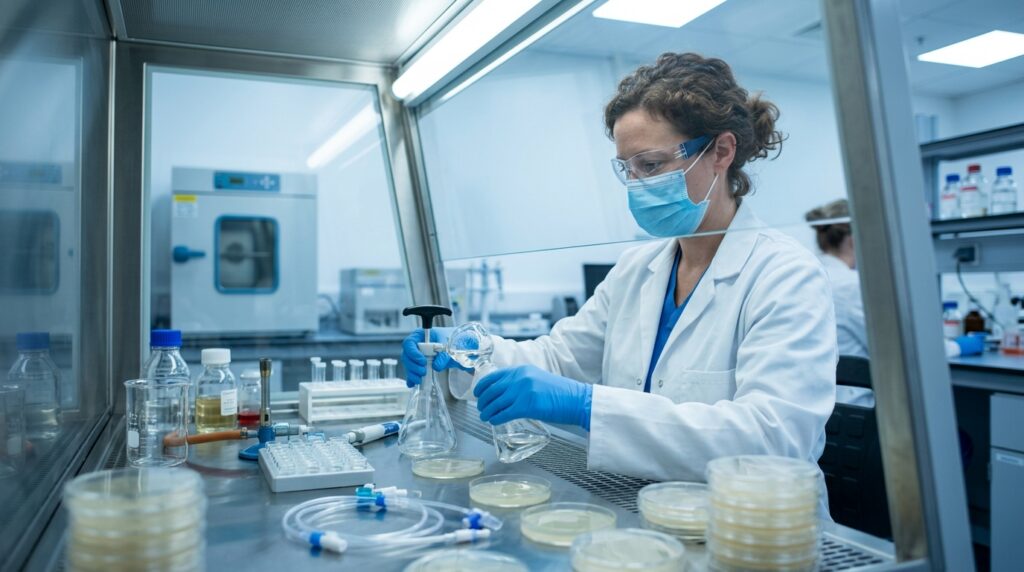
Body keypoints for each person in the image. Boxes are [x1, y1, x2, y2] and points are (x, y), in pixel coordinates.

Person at [404, 53, 837, 485]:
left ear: (720, 151)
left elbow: (774, 438)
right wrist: (461, 351)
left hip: (753, 525)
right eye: (626, 169)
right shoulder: (639, 268)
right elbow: (558, 359)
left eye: (651, 165)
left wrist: (588, 406)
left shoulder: (784, 275)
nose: (636, 184)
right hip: (645, 508)